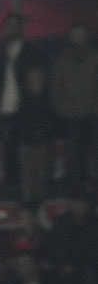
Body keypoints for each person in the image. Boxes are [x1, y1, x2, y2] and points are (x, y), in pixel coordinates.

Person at [0, 11, 43, 183]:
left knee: (25, 155)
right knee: (7, 154)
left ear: (21, 29)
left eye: (15, 26)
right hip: (3, 111)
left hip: (24, 111)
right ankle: (11, 190)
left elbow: (36, 84)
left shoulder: (31, 53)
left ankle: (24, 194)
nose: (11, 30)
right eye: (8, 26)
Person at [50, 23, 98, 186]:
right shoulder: (62, 60)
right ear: (70, 38)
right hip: (72, 117)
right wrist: (62, 109)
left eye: (81, 35)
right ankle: (78, 192)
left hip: (94, 115)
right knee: (74, 157)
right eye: (75, 36)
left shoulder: (96, 57)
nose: (79, 39)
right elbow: (55, 87)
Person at [16, 65, 60, 205]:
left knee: (42, 178)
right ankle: (29, 210)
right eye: (32, 79)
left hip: (42, 144)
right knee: (28, 179)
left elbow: (52, 124)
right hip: (26, 145)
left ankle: (42, 209)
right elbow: (19, 124)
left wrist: (43, 135)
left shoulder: (49, 101)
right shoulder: (23, 102)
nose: (36, 83)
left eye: (38, 79)